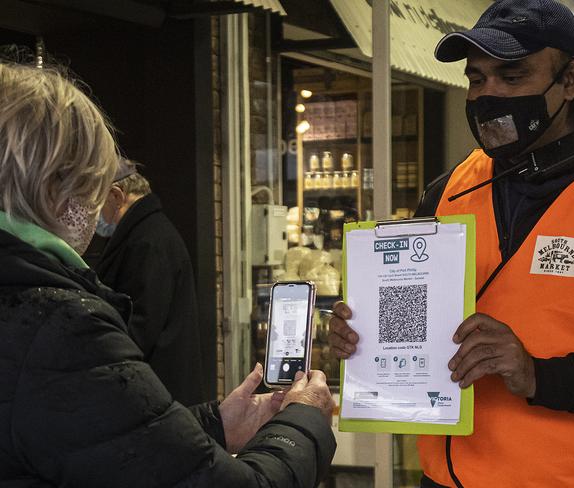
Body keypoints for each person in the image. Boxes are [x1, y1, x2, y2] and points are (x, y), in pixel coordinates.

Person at [329, 0, 574, 486]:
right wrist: (364, 337)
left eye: (513, 76)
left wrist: (539, 375)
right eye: (477, 79)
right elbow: (414, 322)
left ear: (570, 78)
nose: (490, 95)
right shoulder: (448, 191)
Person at [0, 61, 335, 486]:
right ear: (53, 189)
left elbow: (88, 439)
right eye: (91, 185)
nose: (95, 206)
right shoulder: (58, 325)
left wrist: (214, 426)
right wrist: (303, 423)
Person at [94, 159, 205, 406]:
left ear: (115, 195)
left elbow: (139, 328)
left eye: (96, 201)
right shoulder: (149, 232)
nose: (93, 214)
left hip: (156, 396)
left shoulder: (147, 242)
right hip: (161, 393)